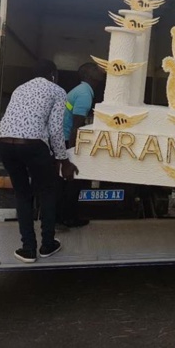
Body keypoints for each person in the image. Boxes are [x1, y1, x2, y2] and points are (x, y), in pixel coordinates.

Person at [0, 59, 78, 263]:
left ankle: (28, 249)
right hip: (33, 144)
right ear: (53, 74)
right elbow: (56, 129)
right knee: (47, 191)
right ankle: (47, 245)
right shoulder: (58, 91)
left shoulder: (19, 89)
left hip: (3, 142)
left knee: (23, 194)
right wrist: (63, 160)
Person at [58, 62, 105, 227]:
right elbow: (76, 126)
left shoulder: (81, 90)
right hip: (66, 140)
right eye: (95, 68)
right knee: (73, 180)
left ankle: (65, 217)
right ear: (88, 75)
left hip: (63, 138)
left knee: (68, 182)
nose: (100, 69)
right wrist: (73, 153)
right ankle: (67, 218)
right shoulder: (85, 93)